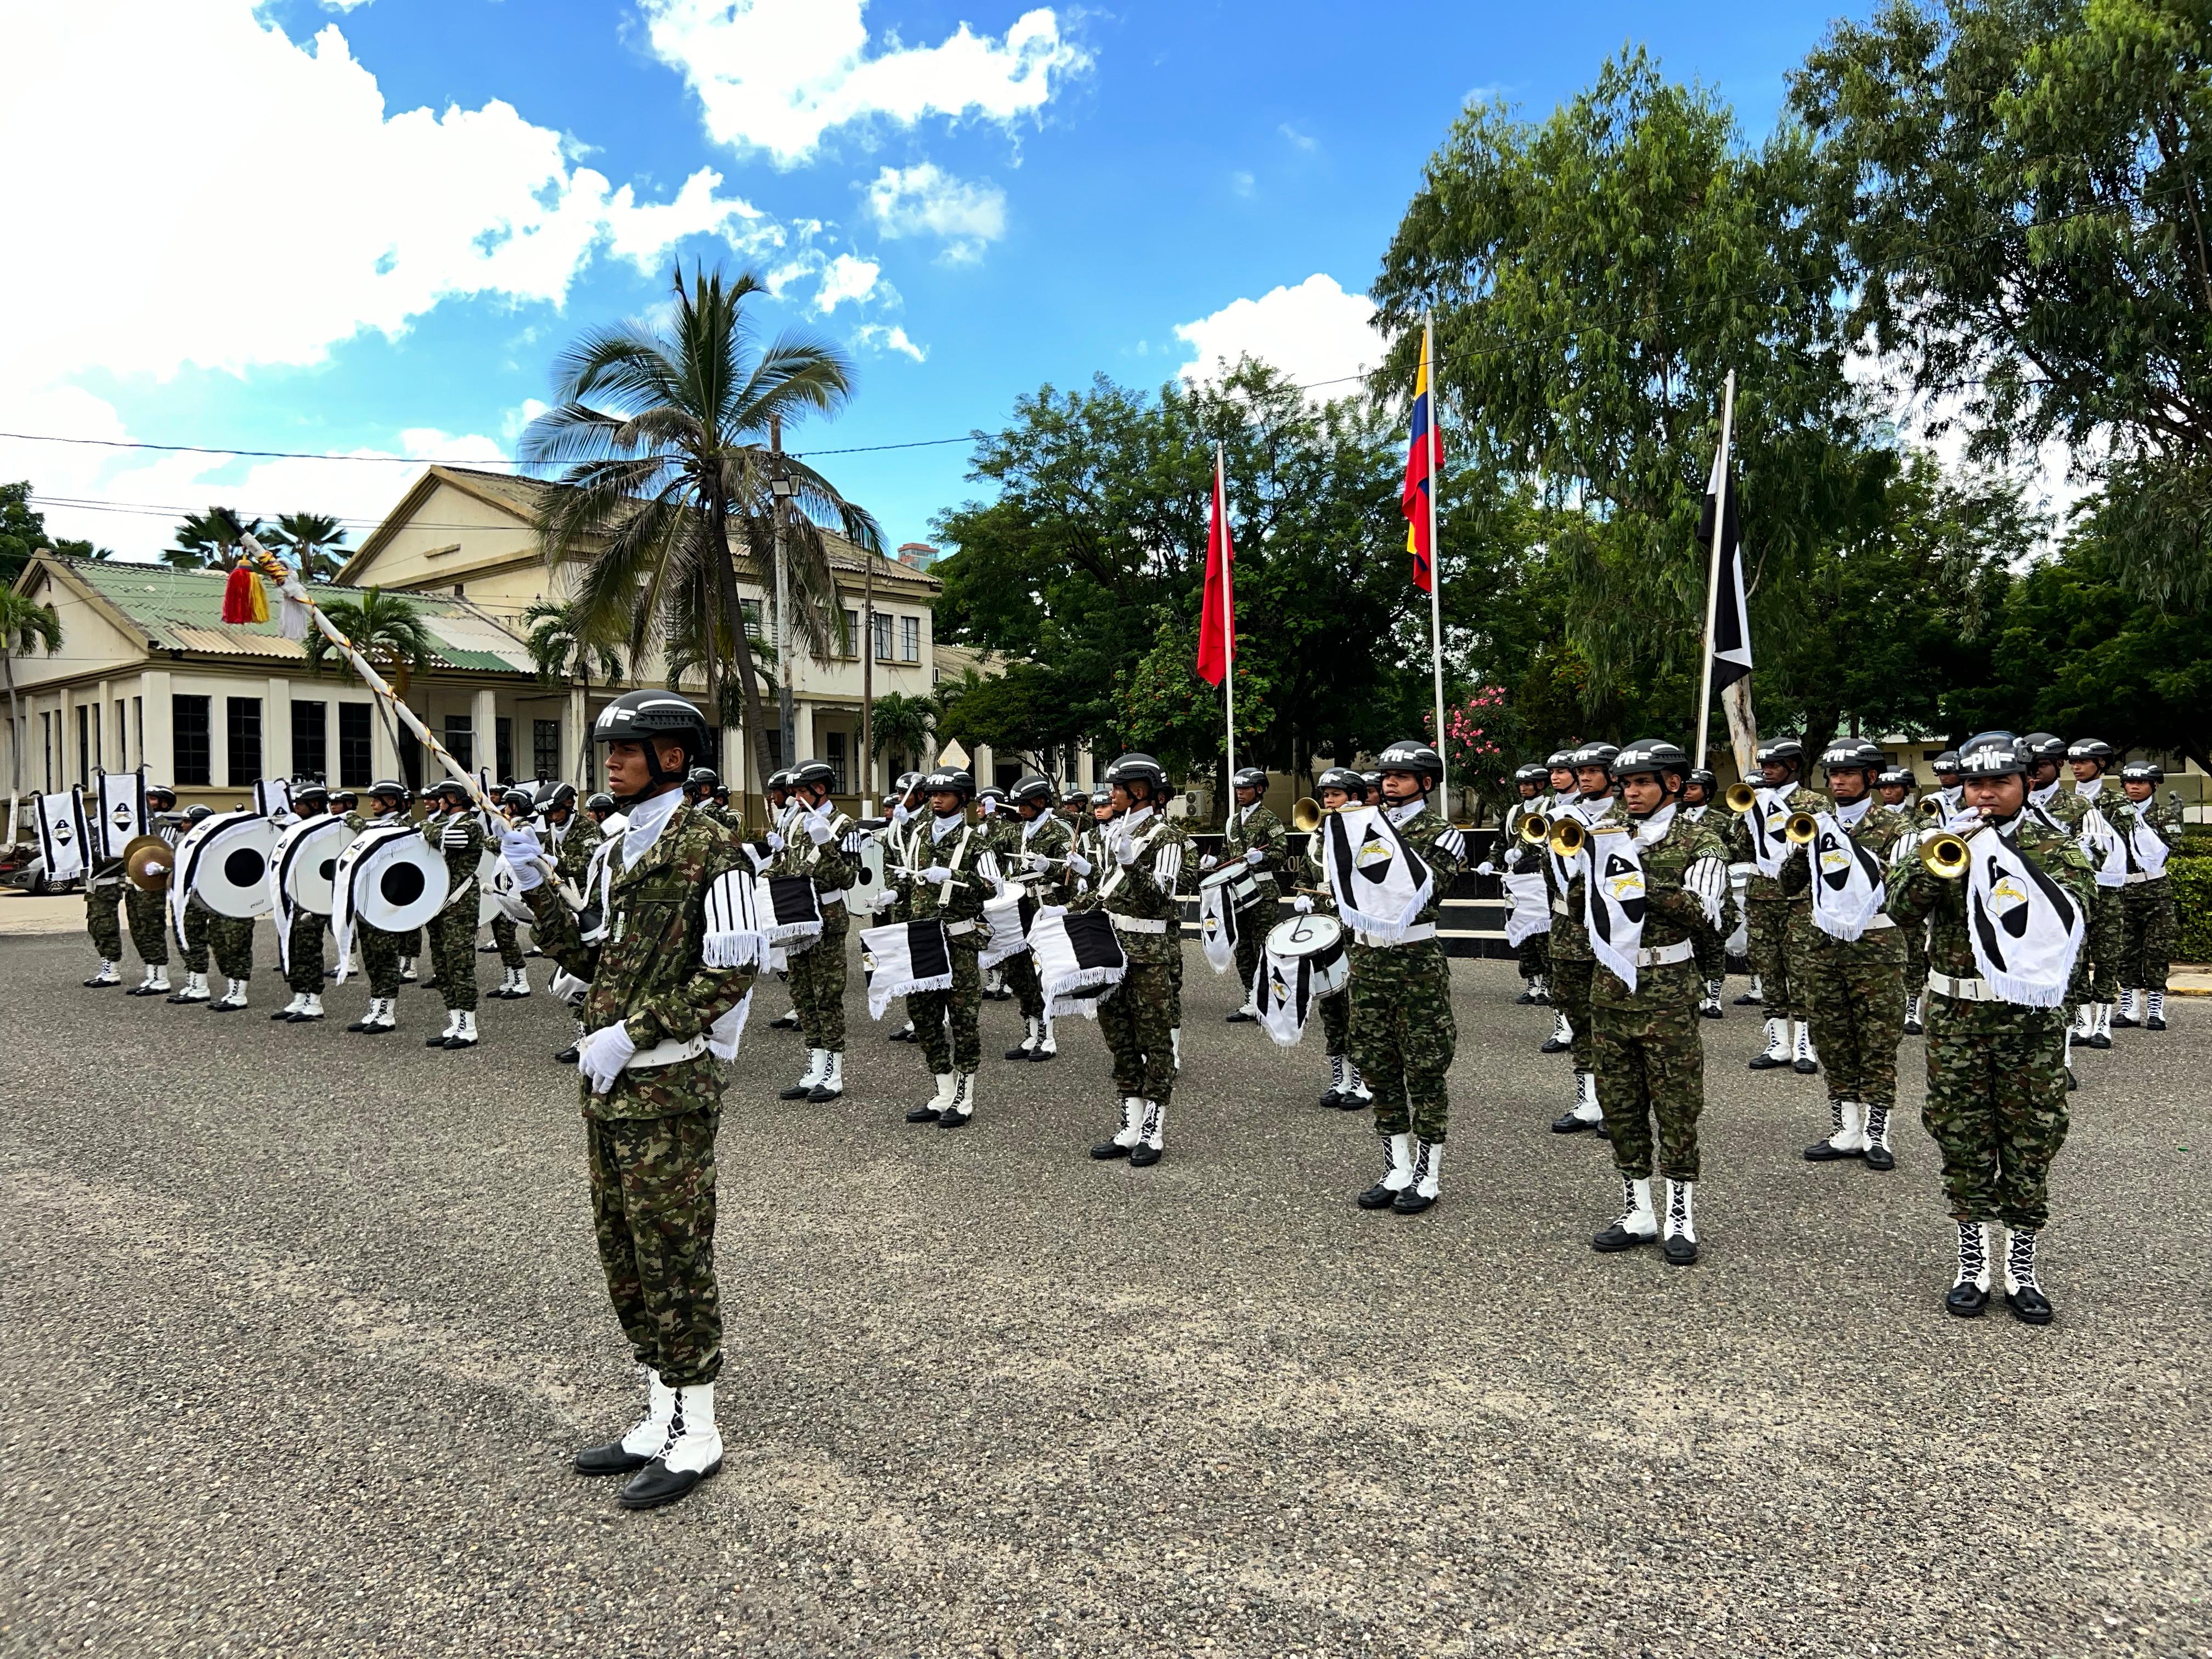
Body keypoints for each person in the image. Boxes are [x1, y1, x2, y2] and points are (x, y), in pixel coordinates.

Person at [510, 689, 754, 1510]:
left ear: (673, 758)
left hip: (668, 1084)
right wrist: (530, 884)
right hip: (612, 1087)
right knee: (624, 1251)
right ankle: (659, 1416)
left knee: (675, 1254)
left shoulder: (715, 848)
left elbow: (730, 971)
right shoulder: (616, 849)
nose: (610, 762)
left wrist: (634, 1031)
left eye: (627, 749)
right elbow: (584, 947)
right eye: (608, 749)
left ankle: (701, 1432)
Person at [1887, 732, 2094, 1325]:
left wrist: (2006, 860)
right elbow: (1899, 907)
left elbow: (2076, 916)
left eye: (1999, 783)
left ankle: (2022, 1266)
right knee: (1961, 1134)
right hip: (1957, 1018)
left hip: (2028, 1020)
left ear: (2026, 784)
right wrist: (1946, 861)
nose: (1985, 795)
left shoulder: (2056, 846)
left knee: (2031, 1136)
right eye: (1976, 784)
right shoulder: (1939, 840)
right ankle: (1972, 1262)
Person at [1583, 740, 1729, 1263]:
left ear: (1672, 784)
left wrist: (1639, 880)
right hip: (1612, 989)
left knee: (1677, 1106)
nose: (1631, 793)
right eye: (1626, 784)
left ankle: (1681, 1213)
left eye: (1643, 783)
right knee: (1620, 1105)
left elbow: (1710, 913)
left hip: (1668, 990)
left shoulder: (1700, 838)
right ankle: (1637, 1208)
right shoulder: (1607, 836)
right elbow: (1586, 906)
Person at [1333, 741, 1467, 1212]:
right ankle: (1396, 1167)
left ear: (1426, 784)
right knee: (1378, 1066)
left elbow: (1431, 886)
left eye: (1402, 776)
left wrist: (1381, 837)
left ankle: (1427, 1175)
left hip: (1415, 961)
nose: (1389, 781)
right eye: (1386, 774)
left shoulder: (1442, 833)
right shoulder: (1363, 826)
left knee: (1425, 1068)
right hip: (1368, 962)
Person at [1798, 742, 1914, 1170]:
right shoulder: (1818, 825)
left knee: (1877, 1042)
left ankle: (1877, 1131)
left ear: (1871, 778)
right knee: (1834, 1039)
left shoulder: (1896, 827)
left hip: (1877, 950)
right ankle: (1845, 1127)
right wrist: (1802, 844)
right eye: (1833, 775)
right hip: (1826, 949)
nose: (1839, 782)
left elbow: (1903, 889)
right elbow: (1793, 881)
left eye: (1849, 774)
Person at [1085, 755, 1188, 1166]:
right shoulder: (1116, 833)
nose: (1110, 795)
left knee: (1155, 1042)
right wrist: (1068, 909)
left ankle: (1153, 1130)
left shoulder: (1168, 837)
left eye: (1117, 789)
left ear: (1139, 791)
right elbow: (1106, 893)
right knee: (1120, 1040)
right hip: (1111, 952)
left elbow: (1160, 898)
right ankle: (1129, 1126)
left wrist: (1130, 862)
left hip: (1149, 956)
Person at [898, 769, 1000, 1128]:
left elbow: (994, 888)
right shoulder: (918, 835)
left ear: (964, 798)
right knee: (923, 1013)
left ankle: (964, 1096)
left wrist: (954, 877)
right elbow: (911, 886)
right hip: (923, 939)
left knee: (963, 1019)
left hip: (958, 941)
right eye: (933, 794)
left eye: (946, 794)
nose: (937, 799)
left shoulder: (976, 841)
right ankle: (943, 1089)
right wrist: (894, 904)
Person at [1725, 739, 1824, 1074]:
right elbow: (1739, 848)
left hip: (1799, 897)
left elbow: (1819, 847)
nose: (1766, 771)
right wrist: (1748, 816)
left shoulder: (1813, 802)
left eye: (1774, 766)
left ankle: (1805, 1042)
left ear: (1793, 767)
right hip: (1760, 894)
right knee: (1767, 966)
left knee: (1801, 967)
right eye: (1764, 765)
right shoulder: (1755, 799)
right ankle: (1778, 1041)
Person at [770, 759, 858, 1103]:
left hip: (827, 920)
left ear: (820, 789)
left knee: (827, 996)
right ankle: (814, 1067)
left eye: (801, 791)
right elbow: (782, 867)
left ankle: (834, 1074)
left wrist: (826, 844)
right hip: (795, 917)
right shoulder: (792, 822)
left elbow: (848, 878)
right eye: (793, 792)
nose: (795, 798)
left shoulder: (844, 825)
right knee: (803, 995)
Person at [1546, 742, 1617, 1133]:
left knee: (1613, 1019)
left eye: (1594, 770)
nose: (1585, 777)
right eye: (1582, 771)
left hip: (1613, 930)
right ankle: (1588, 1099)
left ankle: (1614, 1102)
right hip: (1569, 931)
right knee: (1577, 1013)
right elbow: (1549, 877)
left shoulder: (1629, 818)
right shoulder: (1559, 817)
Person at [1297, 766, 1373, 1110]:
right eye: (1325, 794)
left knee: (1355, 1004)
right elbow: (1305, 871)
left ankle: (1364, 1081)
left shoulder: (1368, 832)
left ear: (1354, 798)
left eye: (1336, 795)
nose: (1327, 800)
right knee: (1330, 1002)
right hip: (1324, 924)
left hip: (1355, 926)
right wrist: (1304, 894)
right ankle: (1339, 1077)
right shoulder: (1318, 833)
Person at [998, 774, 1077, 1062]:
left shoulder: (1059, 831)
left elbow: (1074, 876)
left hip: (1046, 905)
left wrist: (1050, 869)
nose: (1020, 809)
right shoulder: (1020, 832)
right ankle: (1031, 1033)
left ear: (1041, 802)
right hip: (1019, 905)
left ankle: (1049, 1037)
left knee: (1041, 971)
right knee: (1018, 971)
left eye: (1024, 804)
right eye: (1017, 804)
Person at [1211, 766, 1287, 1023]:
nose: (1240, 793)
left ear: (1260, 790)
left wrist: (1263, 856)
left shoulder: (1270, 820)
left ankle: (1274, 1001)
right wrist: (1214, 861)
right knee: (1243, 948)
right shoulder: (1232, 821)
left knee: (1264, 948)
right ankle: (1251, 999)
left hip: (1263, 894)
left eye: (1245, 788)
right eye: (1237, 788)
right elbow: (1226, 854)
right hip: (1238, 894)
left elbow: (1281, 855)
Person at [2111, 761, 2181, 1032]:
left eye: (2140, 783)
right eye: (2129, 782)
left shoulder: (2164, 816)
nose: (2134, 787)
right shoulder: (2114, 816)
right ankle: (2129, 1008)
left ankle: (2156, 1009)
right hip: (2124, 891)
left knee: (2156, 951)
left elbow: (2168, 848)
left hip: (2156, 893)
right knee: (2126, 952)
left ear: (2154, 786)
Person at [538, 781, 605, 1064]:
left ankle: (600, 1040)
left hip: (597, 910)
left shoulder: (588, 830)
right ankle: (588, 1038)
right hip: (571, 912)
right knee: (574, 982)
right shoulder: (552, 834)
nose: (551, 818)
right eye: (547, 814)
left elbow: (589, 862)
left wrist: (551, 862)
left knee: (590, 979)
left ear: (568, 804)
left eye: (554, 811)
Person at [420, 779, 485, 1049]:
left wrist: (425, 827)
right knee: (442, 965)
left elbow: (446, 840)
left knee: (460, 965)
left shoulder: (470, 825)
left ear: (455, 798)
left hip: (459, 907)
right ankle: (455, 1022)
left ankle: (468, 1027)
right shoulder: (444, 824)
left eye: (443, 797)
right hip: (440, 904)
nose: (439, 802)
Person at [272, 781, 332, 1022]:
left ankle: (314, 1000)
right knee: (292, 946)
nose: (295, 807)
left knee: (309, 948)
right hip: (293, 897)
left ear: (315, 804)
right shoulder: (297, 828)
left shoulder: (329, 828)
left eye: (300, 803)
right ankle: (299, 996)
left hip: (314, 898)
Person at [1877, 766, 1929, 1034]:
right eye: (1884, 788)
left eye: (1894, 787)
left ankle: (1913, 1005)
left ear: (1905, 789)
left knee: (1913, 953)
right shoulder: (1874, 818)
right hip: (1878, 900)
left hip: (1908, 895)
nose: (1888, 792)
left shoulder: (1923, 820)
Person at [1497, 763, 1555, 1006]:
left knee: (1543, 935)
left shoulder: (1551, 807)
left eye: (1528, 784)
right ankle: (1532, 981)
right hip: (1516, 879)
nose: (1523, 788)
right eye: (1520, 784)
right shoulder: (1513, 812)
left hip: (1539, 879)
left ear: (1540, 785)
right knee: (1522, 934)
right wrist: (1493, 861)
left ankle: (1548, 985)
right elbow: (1501, 842)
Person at [1679, 768, 1728, 1018]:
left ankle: (1715, 998)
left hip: (1714, 893)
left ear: (1707, 793)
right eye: (1685, 788)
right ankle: (1698, 995)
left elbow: (1733, 854)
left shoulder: (1721, 821)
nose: (1687, 792)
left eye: (1693, 788)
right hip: (1685, 891)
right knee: (1692, 945)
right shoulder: (1677, 819)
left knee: (1714, 946)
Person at [122, 783, 180, 997]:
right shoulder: (137, 824)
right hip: (133, 885)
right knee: (138, 930)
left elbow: (166, 856)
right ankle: (151, 975)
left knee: (152, 930)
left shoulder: (164, 826)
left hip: (152, 886)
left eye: (152, 799)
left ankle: (161, 978)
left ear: (163, 804)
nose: (147, 802)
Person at [486, 786, 539, 1001]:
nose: (504, 808)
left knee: (507, 936)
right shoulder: (512, 827)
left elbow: (496, 843)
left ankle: (521, 981)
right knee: (500, 936)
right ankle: (509, 979)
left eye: (507, 805)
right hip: (504, 889)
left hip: (515, 891)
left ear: (515, 806)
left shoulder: (523, 830)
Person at [82, 802, 128, 989]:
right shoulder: (95, 826)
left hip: (106, 887)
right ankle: (106, 968)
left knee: (106, 929)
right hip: (94, 888)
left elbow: (110, 860)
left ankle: (112, 971)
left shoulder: (117, 832)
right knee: (96, 928)